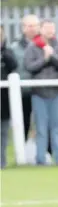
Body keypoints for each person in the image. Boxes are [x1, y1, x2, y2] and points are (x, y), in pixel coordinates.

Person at [24, 20, 58, 166]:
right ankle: (41, 159)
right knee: (41, 128)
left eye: (52, 28)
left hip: (57, 92)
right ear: (41, 30)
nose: (50, 31)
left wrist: (52, 56)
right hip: (39, 93)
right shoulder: (32, 46)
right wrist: (44, 59)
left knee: (56, 127)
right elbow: (29, 67)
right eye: (47, 28)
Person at [1, 26, 18, 169]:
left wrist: (2, 51)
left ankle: (2, 160)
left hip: (3, 100)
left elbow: (14, 65)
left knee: (3, 133)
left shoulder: (7, 52)